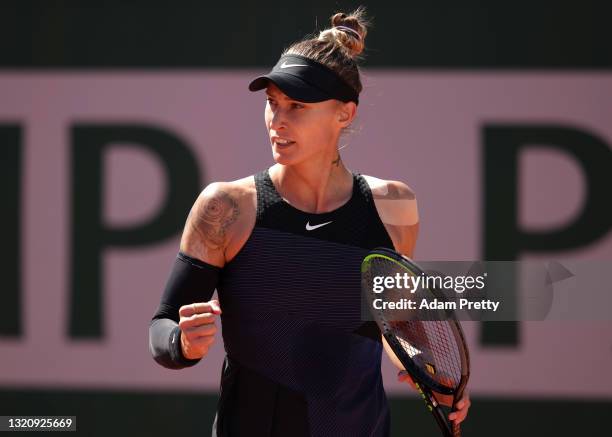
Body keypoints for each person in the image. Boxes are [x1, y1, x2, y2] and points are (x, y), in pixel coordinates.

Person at [149, 7, 470, 436]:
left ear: (345, 114)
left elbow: (393, 325)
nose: (277, 121)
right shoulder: (225, 207)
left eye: (297, 106)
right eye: (272, 104)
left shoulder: (395, 206)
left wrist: (430, 372)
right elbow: (163, 325)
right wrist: (183, 343)